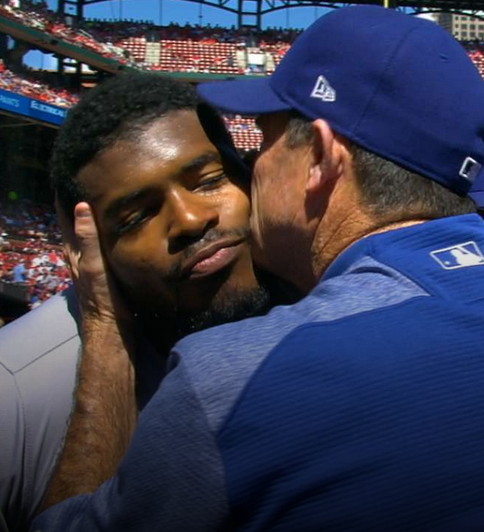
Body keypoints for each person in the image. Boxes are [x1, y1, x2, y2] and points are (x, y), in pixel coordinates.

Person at [33, 6, 484, 531]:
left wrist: (107, 333)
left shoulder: (228, 379)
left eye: (264, 141)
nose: (255, 168)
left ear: (319, 156)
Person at [0, 72, 288, 532]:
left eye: (209, 180)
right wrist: (107, 339)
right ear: (91, 247)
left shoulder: (329, 296)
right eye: (137, 217)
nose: (191, 220)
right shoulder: (11, 392)